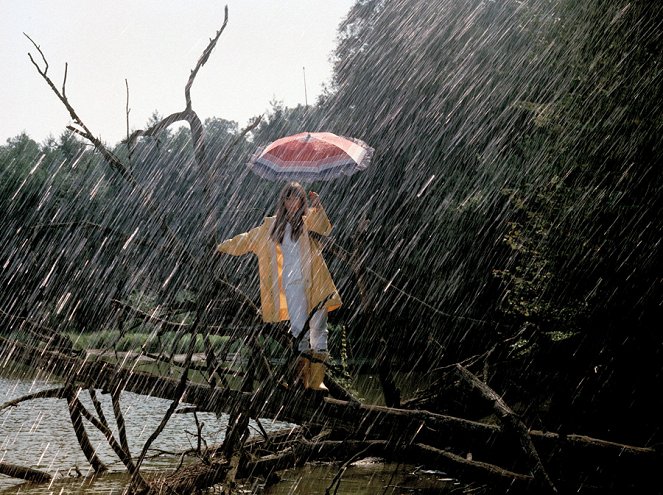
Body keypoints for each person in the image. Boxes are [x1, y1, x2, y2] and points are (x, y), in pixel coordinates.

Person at [216, 181, 342, 391]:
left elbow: (325, 229)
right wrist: (221, 246)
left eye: (297, 198)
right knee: (299, 331)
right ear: (283, 201)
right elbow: (246, 240)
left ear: (302, 201)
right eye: (289, 198)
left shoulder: (308, 221)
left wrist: (318, 206)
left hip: (315, 282)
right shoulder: (271, 227)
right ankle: (303, 381)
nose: (293, 202)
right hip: (291, 286)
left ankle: (317, 381)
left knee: (319, 329)